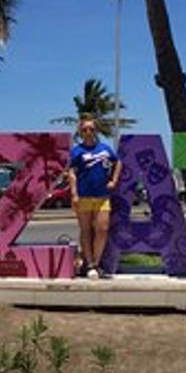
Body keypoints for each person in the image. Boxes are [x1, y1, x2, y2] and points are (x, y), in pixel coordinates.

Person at [68, 117, 121, 279]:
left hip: (102, 196)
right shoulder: (76, 151)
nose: (88, 132)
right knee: (86, 231)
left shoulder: (105, 149)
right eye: (84, 130)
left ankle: (96, 263)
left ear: (96, 131)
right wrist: (74, 193)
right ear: (80, 132)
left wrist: (114, 180)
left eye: (91, 129)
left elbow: (117, 162)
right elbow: (71, 173)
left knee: (102, 229)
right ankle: (89, 264)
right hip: (83, 196)